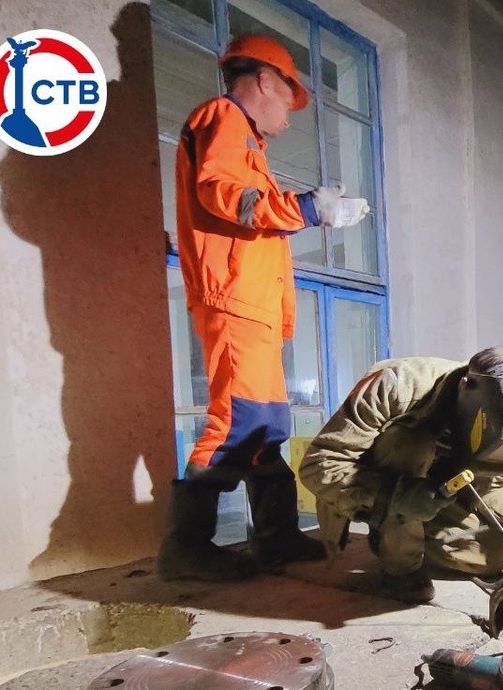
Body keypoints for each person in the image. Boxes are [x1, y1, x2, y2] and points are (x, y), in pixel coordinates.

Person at [158, 34, 371, 582]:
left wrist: (305, 211)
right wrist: (308, 209)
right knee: (237, 422)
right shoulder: (223, 117)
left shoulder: (245, 141)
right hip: (235, 301)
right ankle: (187, 548)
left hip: (252, 306)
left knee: (266, 426)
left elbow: (245, 209)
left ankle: (275, 540)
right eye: (289, 99)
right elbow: (225, 196)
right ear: (265, 81)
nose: (289, 115)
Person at [297, 348, 503, 604]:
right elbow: (318, 464)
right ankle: (399, 566)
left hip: (438, 496)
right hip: (375, 487)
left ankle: (408, 537)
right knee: (412, 443)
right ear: (464, 388)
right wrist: (394, 495)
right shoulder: (396, 384)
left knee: (497, 555)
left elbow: (495, 485)